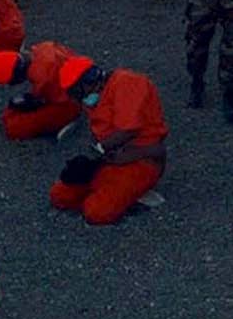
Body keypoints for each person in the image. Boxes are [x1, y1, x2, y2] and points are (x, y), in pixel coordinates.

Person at [49, 56, 167, 224]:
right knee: (59, 196)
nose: (77, 98)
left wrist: (96, 151)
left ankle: (127, 195)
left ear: (87, 82)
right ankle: (120, 194)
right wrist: (90, 161)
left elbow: (128, 130)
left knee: (96, 213)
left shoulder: (128, 83)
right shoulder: (96, 93)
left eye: (76, 92)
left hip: (141, 158)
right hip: (111, 158)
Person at [0, 44, 82, 140]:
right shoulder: (42, 48)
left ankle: (66, 121)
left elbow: (54, 99)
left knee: (13, 127)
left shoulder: (42, 76)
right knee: (15, 110)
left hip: (70, 103)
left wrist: (35, 103)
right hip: (74, 88)